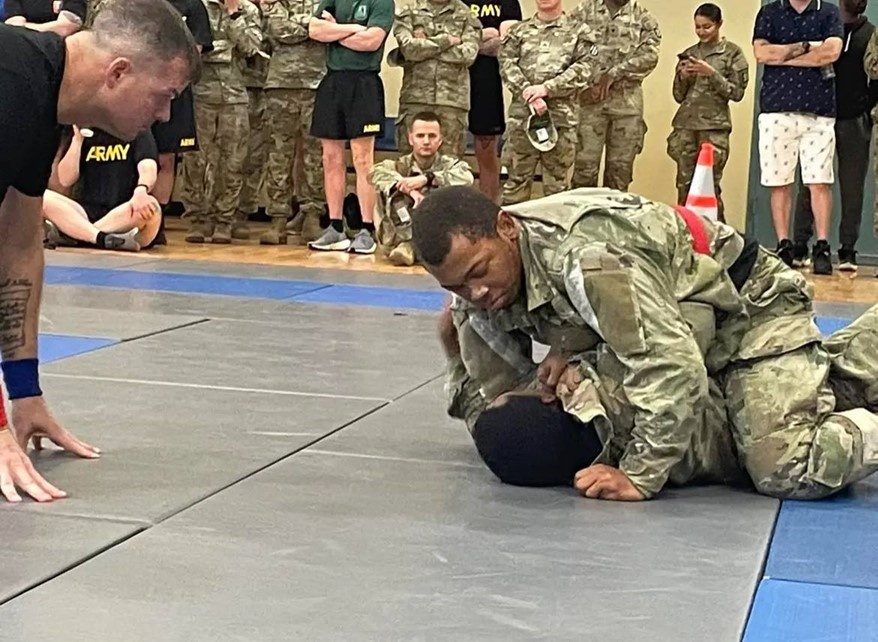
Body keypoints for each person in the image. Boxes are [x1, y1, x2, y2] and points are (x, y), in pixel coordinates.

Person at [410, 185, 878, 501]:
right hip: (676, 315)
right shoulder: (475, 292)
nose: (477, 294)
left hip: (749, 307)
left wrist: (639, 472)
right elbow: (508, 405)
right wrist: (460, 357)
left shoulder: (587, 260)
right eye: (455, 287)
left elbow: (672, 365)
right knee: (762, 408)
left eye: (477, 274)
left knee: (782, 464)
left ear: (506, 228)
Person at [0, 0, 199, 503]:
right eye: (164, 95)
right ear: (117, 72)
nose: (165, 114)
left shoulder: (43, 103)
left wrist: (23, 393)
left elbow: (19, 245)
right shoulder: (9, 82)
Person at [752, 0, 844, 274]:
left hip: (819, 112)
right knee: (779, 182)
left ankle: (823, 245)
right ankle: (784, 245)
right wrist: (807, 47)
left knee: (819, 181)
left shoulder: (828, 12)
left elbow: (830, 53)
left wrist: (784, 54)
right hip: (776, 110)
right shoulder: (770, 12)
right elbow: (761, 53)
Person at [307, 0, 395, 254]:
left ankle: (367, 228)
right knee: (330, 158)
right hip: (333, 82)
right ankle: (335, 227)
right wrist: (356, 29)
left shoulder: (382, 3)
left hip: (364, 84)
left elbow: (372, 42)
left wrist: (336, 31)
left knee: (363, 159)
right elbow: (315, 30)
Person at [799, 0, 878, 272]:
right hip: (820, 115)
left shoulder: (870, 34)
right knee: (811, 182)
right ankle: (801, 244)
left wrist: (866, 108)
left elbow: (875, 78)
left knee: (852, 187)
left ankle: (847, 250)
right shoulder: (825, 27)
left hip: (853, 118)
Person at [497, 0, 596, 205]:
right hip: (522, 119)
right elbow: (506, 64)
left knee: (557, 187)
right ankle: (512, 235)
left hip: (560, 120)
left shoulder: (580, 31)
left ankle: (554, 236)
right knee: (516, 183)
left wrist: (547, 89)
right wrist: (528, 92)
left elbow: (585, 68)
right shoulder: (518, 31)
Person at [180, 0, 263, 244]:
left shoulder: (247, 10)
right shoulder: (194, 7)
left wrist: (233, 13)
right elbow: (186, 48)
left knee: (233, 160)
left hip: (234, 95)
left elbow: (251, 48)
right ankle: (198, 217)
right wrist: (221, 48)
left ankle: (225, 219)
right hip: (199, 93)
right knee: (196, 159)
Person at [568, 0, 661, 192]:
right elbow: (566, 49)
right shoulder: (583, 12)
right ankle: (584, 220)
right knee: (584, 171)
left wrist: (614, 73)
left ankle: (614, 220)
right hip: (590, 103)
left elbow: (650, 56)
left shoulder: (644, 18)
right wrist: (587, 82)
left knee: (619, 174)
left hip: (626, 106)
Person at [667, 3, 748, 222]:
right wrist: (683, 76)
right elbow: (678, 95)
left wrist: (711, 73)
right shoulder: (690, 53)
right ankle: (686, 234)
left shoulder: (732, 53)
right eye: (698, 27)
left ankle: (717, 237)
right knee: (684, 185)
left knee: (708, 186)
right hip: (686, 127)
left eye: (707, 27)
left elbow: (737, 92)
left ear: (719, 24)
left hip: (714, 129)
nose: (702, 32)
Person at [260, 0, 327, 246]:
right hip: (280, 85)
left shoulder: (325, 2)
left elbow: (329, 31)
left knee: (315, 155)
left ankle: (312, 216)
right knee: (279, 154)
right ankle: (278, 218)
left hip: (317, 84)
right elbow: (278, 29)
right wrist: (311, 28)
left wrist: (303, 27)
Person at [368, 111, 474, 265]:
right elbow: (374, 173)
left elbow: (467, 177)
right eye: (420, 136)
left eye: (432, 136)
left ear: (440, 140)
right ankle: (409, 245)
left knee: (453, 191)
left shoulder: (449, 165)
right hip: (400, 235)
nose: (426, 141)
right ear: (411, 139)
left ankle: (424, 249)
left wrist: (427, 179)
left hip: (441, 234)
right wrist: (408, 189)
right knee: (389, 188)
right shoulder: (399, 165)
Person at [43, 125, 162, 251]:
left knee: (152, 208)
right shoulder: (83, 130)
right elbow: (65, 179)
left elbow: (148, 167)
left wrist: (141, 191)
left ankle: (77, 234)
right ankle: (101, 238)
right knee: (43, 197)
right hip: (86, 212)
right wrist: (77, 140)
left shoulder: (136, 128)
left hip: (126, 211)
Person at [389, 0, 481, 159]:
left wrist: (424, 46)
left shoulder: (466, 14)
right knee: (409, 163)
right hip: (415, 100)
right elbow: (410, 50)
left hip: (452, 103)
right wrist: (447, 41)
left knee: (450, 166)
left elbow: (468, 54)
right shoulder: (410, 12)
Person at [461, 0, 521, 203]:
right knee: (447, 152)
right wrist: (485, 35)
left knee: (486, 152)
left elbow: (506, 43)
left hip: (486, 83)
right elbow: (442, 39)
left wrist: (467, 41)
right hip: (450, 82)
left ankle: (487, 211)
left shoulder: (507, 2)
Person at [4, 0, 86, 37]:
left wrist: (25, 26)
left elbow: (66, 28)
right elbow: (13, 29)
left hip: (60, 52)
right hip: (27, 50)